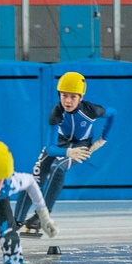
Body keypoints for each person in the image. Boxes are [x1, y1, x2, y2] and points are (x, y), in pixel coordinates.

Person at [14, 71, 116, 233]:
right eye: (64, 95)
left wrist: (103, 139)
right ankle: (16, 220)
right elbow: (50, 148)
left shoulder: (91, 110)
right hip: (62, 144)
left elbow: (113, 113)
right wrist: (68, 151)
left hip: (81, 144)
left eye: (73, 97)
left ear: (81, 97)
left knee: (58, 168)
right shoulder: (56, 112)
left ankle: (41, 217)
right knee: (34, 178)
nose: (67, 101)